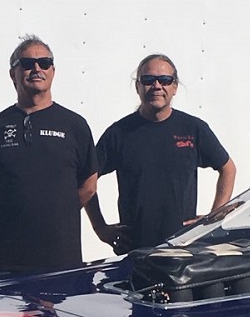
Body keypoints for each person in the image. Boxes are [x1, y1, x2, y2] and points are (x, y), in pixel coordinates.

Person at [85, 53, 237, 252]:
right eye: (148, 80)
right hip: (136, 250)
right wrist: (100, 228)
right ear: (137, 86)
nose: (157, 86)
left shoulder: (193, 129)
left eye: (165, 80)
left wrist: (214, 217)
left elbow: (228, 168)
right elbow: (86, 179)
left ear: (174, 87)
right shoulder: (119, 133)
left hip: (183, 249)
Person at [0, 35, 97, 275]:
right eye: (27, 64)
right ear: (13, 73)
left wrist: (56, 212)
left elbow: (89, 184)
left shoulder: (74, 125)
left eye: (44, 63)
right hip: (7, 257)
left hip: (61, 257)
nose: (36, 69)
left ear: (53, 71)